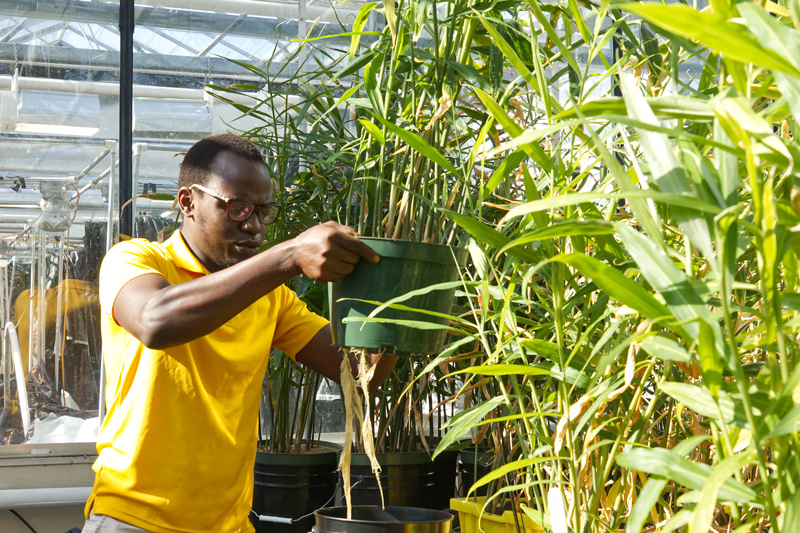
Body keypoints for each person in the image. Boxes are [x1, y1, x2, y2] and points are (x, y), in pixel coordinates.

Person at [82, 134, 397, 533]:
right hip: (134, 518)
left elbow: (360, 372)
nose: (253, 225)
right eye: (236, 208)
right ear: (187, 203)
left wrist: (403, 304)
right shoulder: (136, 260)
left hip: (229, 524)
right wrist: (288, 256)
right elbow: (154, 321)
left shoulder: (271, 298)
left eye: (264, 211)